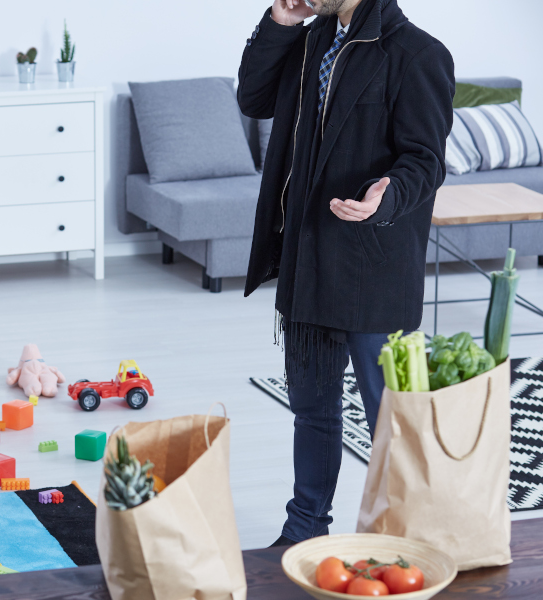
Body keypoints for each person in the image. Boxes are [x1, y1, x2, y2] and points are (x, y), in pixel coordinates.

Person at [238, 0, 454, 545]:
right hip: (305, 259)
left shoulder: (419, 54)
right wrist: (280, 24)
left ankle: (404, 538)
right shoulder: (310, 40)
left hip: (371, 267)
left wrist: (387, 195)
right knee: (312, 411)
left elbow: (425, 160)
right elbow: (253, 99)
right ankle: (304, 530)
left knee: (389, 420)